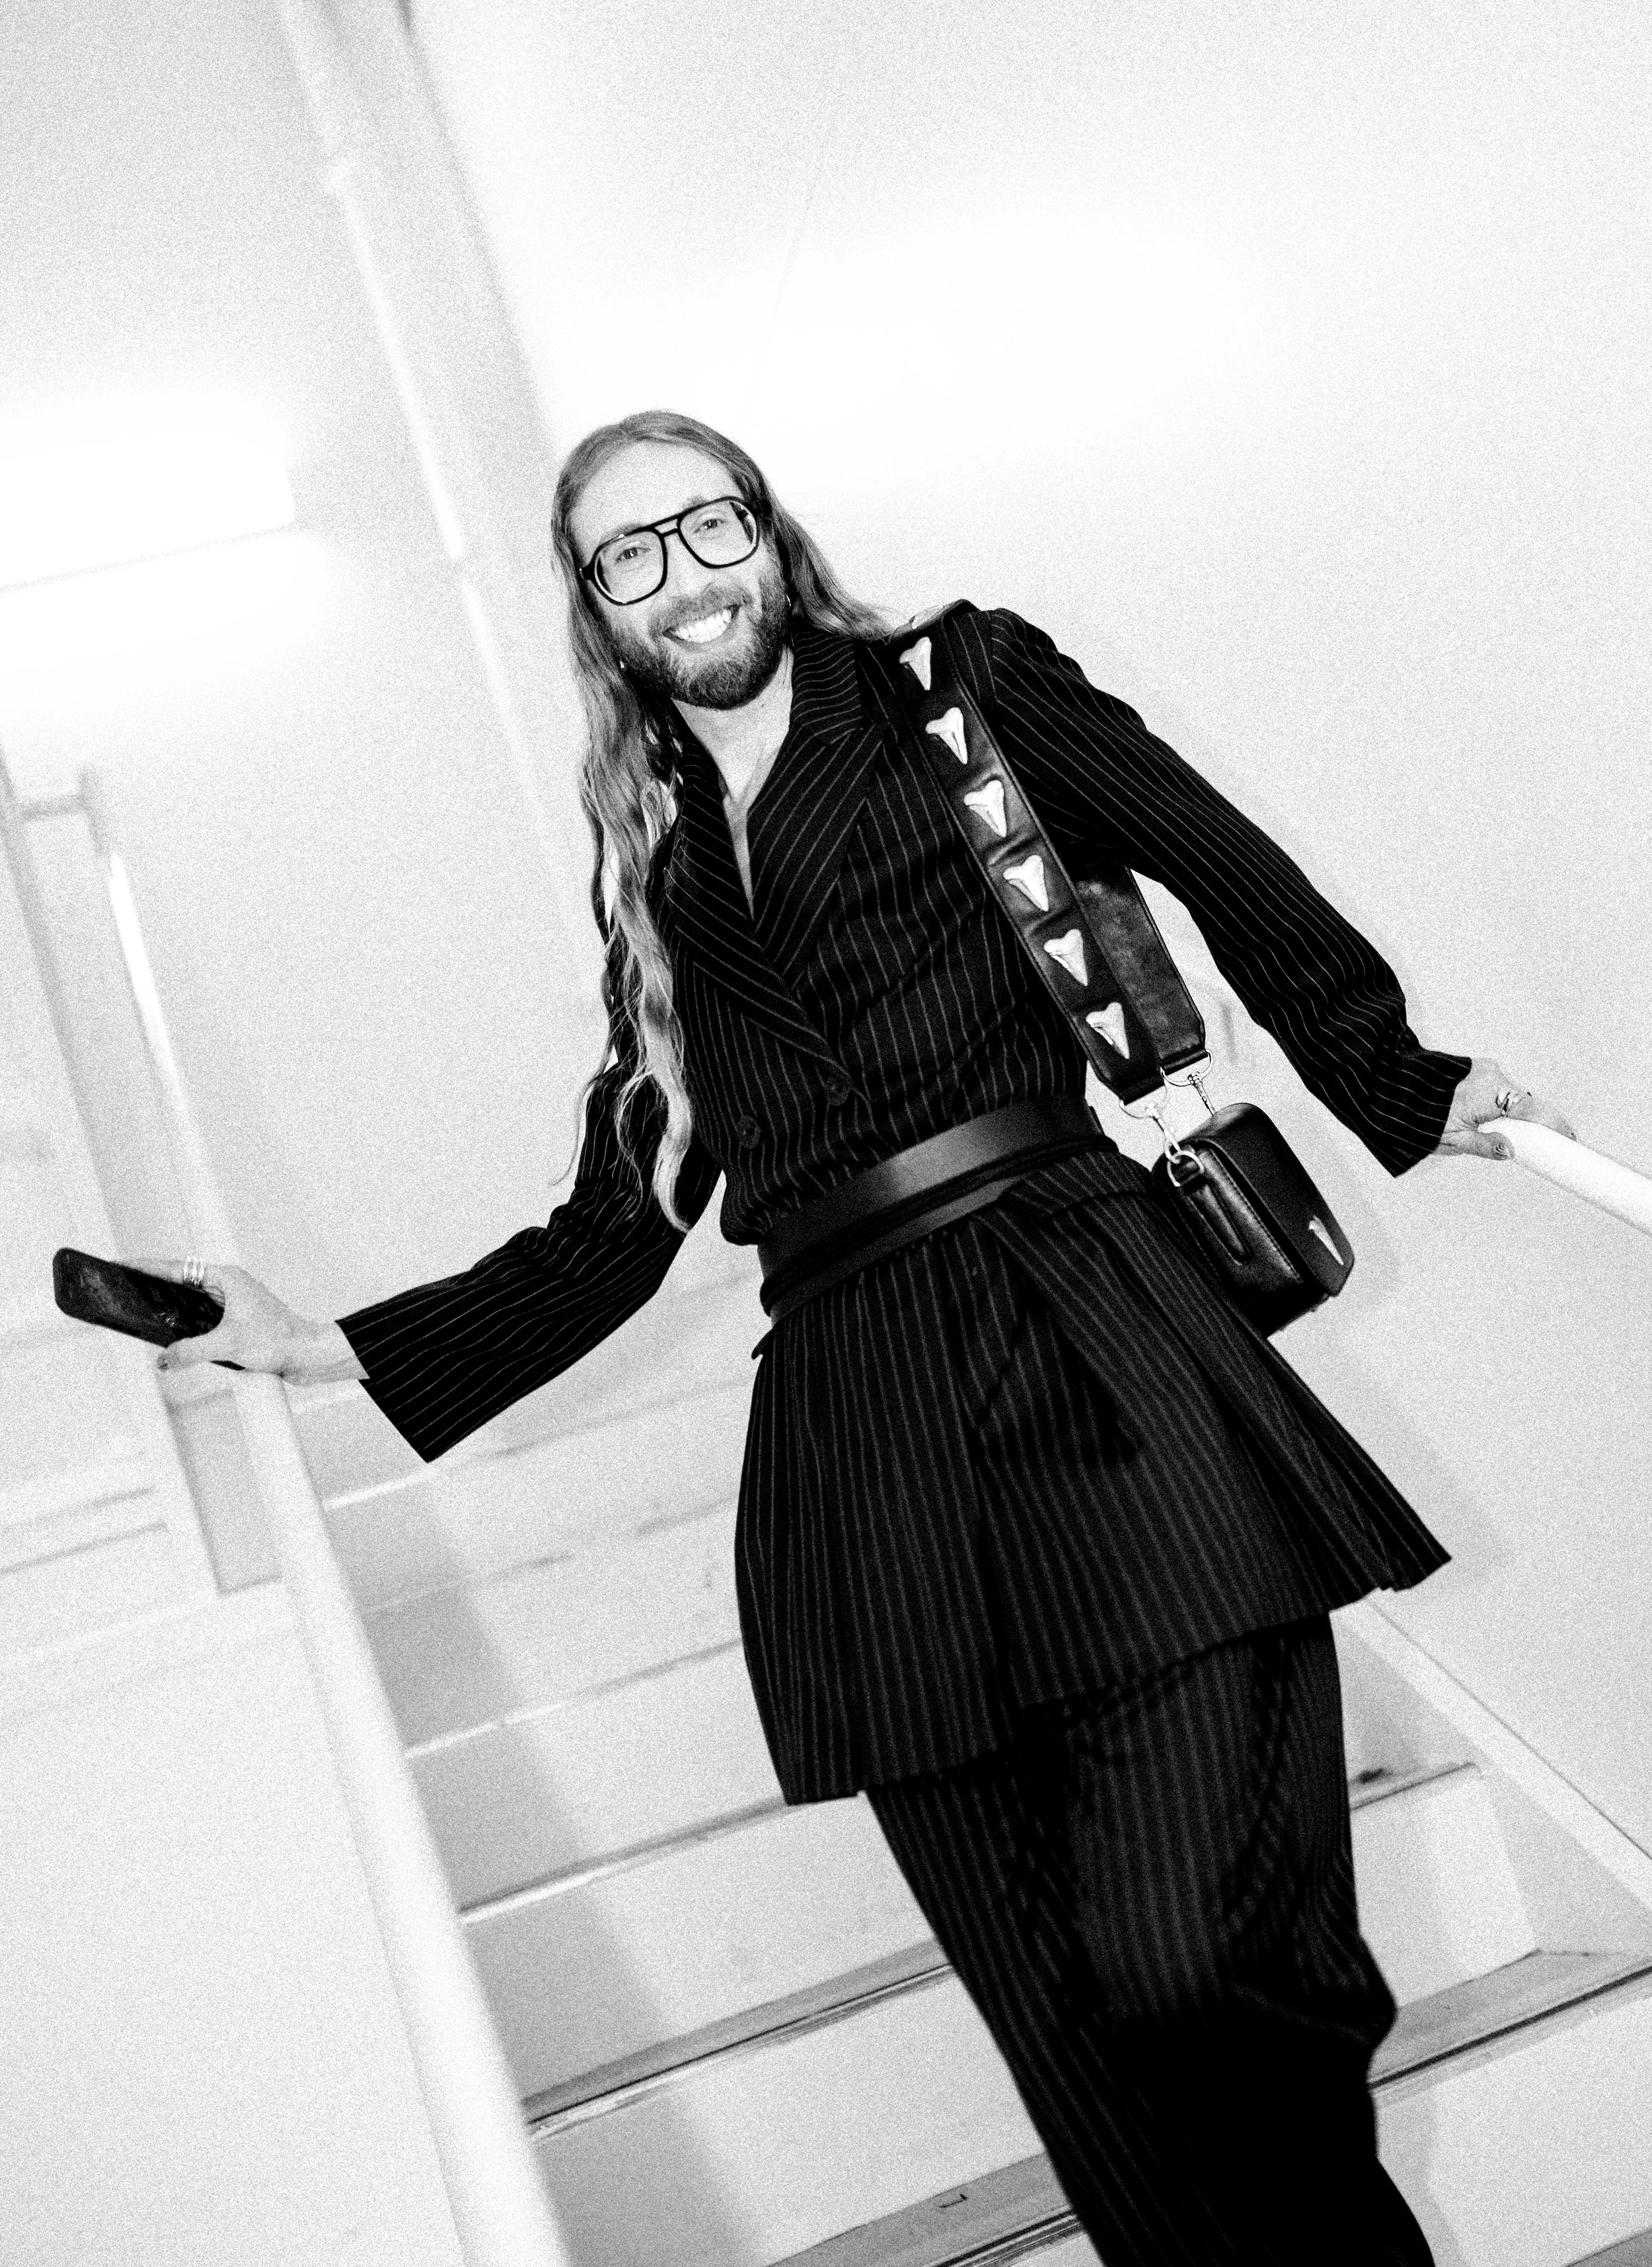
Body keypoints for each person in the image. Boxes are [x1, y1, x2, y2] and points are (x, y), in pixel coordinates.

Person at [151, 408, 1575, 2266]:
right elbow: (621, 1218)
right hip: (854, 1438)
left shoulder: (954, 688)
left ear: (773, 532)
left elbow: (1219, 860)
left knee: (1198, 1958)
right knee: (1074, 2043)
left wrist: (1393, 1072)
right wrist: (339, 1343)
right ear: (592, 609)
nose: (684, 575)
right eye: (628, 554)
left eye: (709, 522)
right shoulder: (651, 868)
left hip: (1090, 1336)